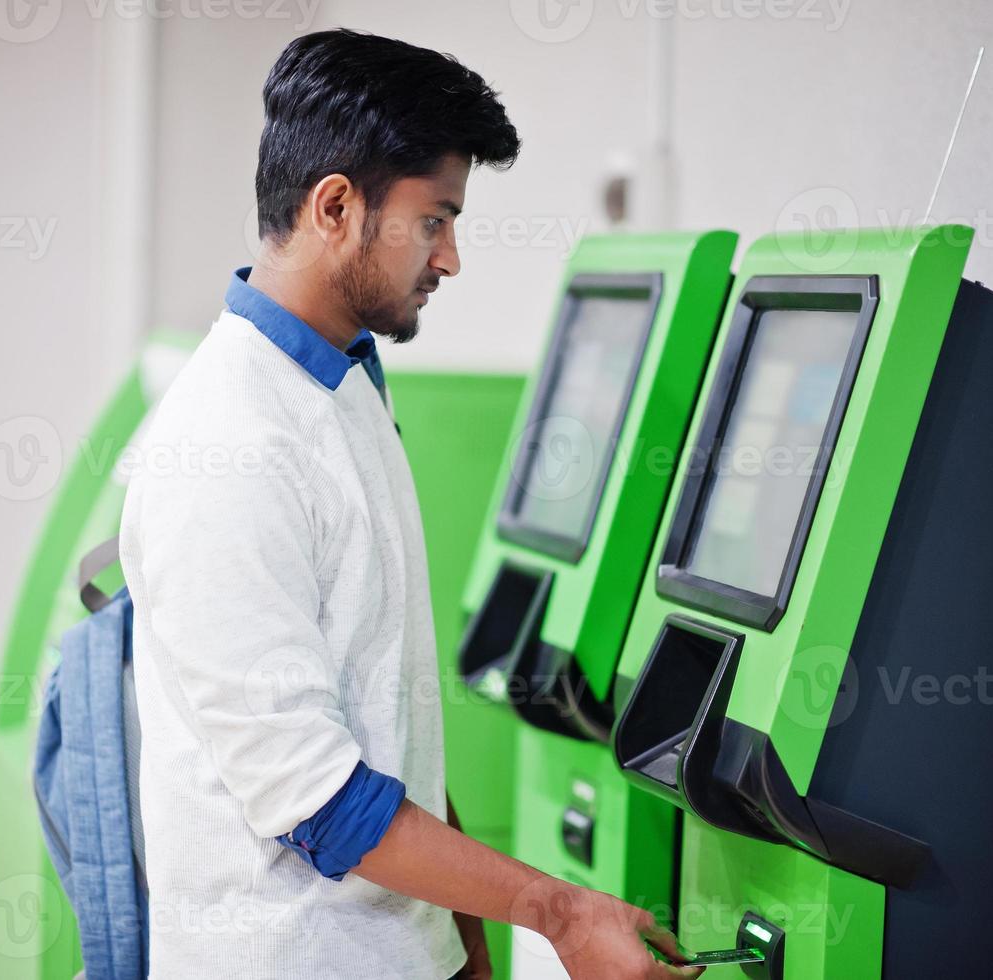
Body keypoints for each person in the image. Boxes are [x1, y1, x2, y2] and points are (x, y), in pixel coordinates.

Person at [118, 28, 702, 980]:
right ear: (338, 207)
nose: (452, 257)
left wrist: (466, 955)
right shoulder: (225, 451)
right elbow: (322, 800)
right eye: (434, 219)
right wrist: (556, 914)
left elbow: (390, 733)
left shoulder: (344, 386)